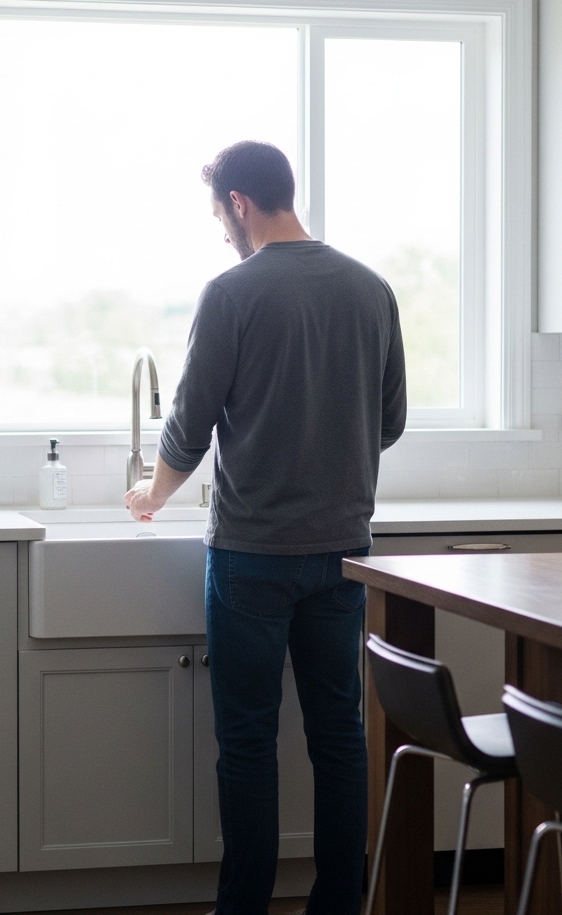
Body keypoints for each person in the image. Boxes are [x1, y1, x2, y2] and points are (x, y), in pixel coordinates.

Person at [123, 141, 407, 915]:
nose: (222, 231)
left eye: (220, 214)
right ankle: (339, 904)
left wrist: (153, 493)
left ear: (241, 203)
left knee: (248, 741)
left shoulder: (231, 293)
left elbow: (189, 426)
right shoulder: (371, 289)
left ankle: (243, 908)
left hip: (251, 557)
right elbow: (389, 421)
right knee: (339, 734)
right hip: (343, 553)